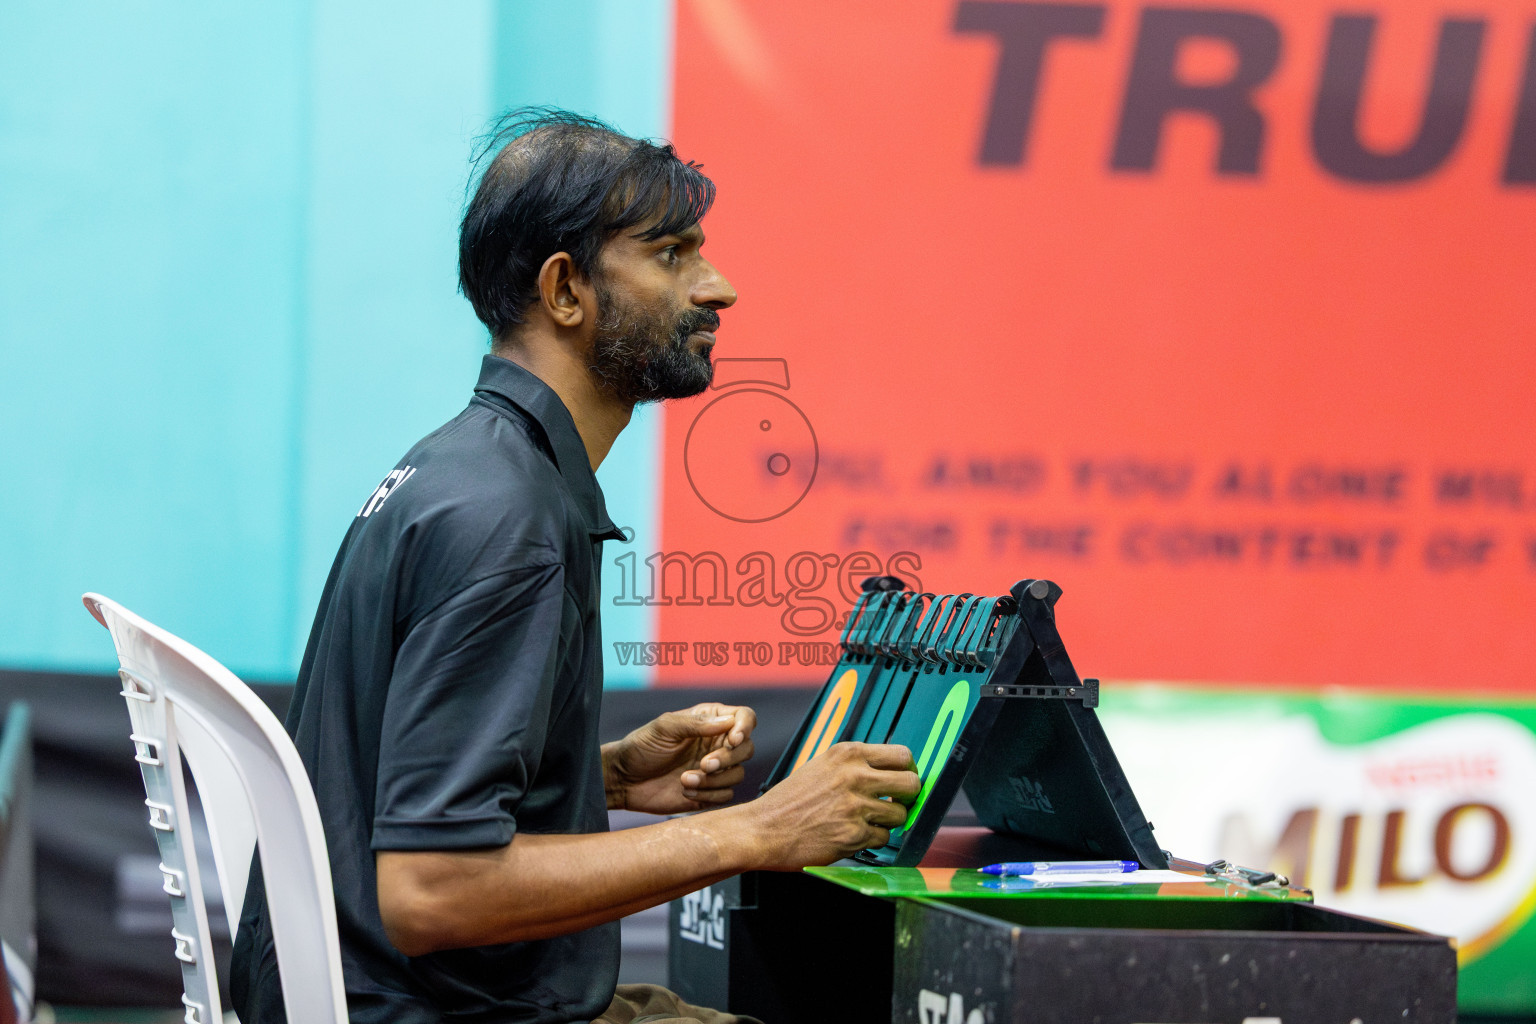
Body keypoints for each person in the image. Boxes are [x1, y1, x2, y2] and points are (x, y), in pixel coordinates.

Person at [230, 108, 920, 1024]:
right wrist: (760, 827)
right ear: (565, 291)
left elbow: (391, 794)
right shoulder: (504, 519)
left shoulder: (463, 467)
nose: (720, 288)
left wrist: (610, 780)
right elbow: (431, 890)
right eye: (672, 253)